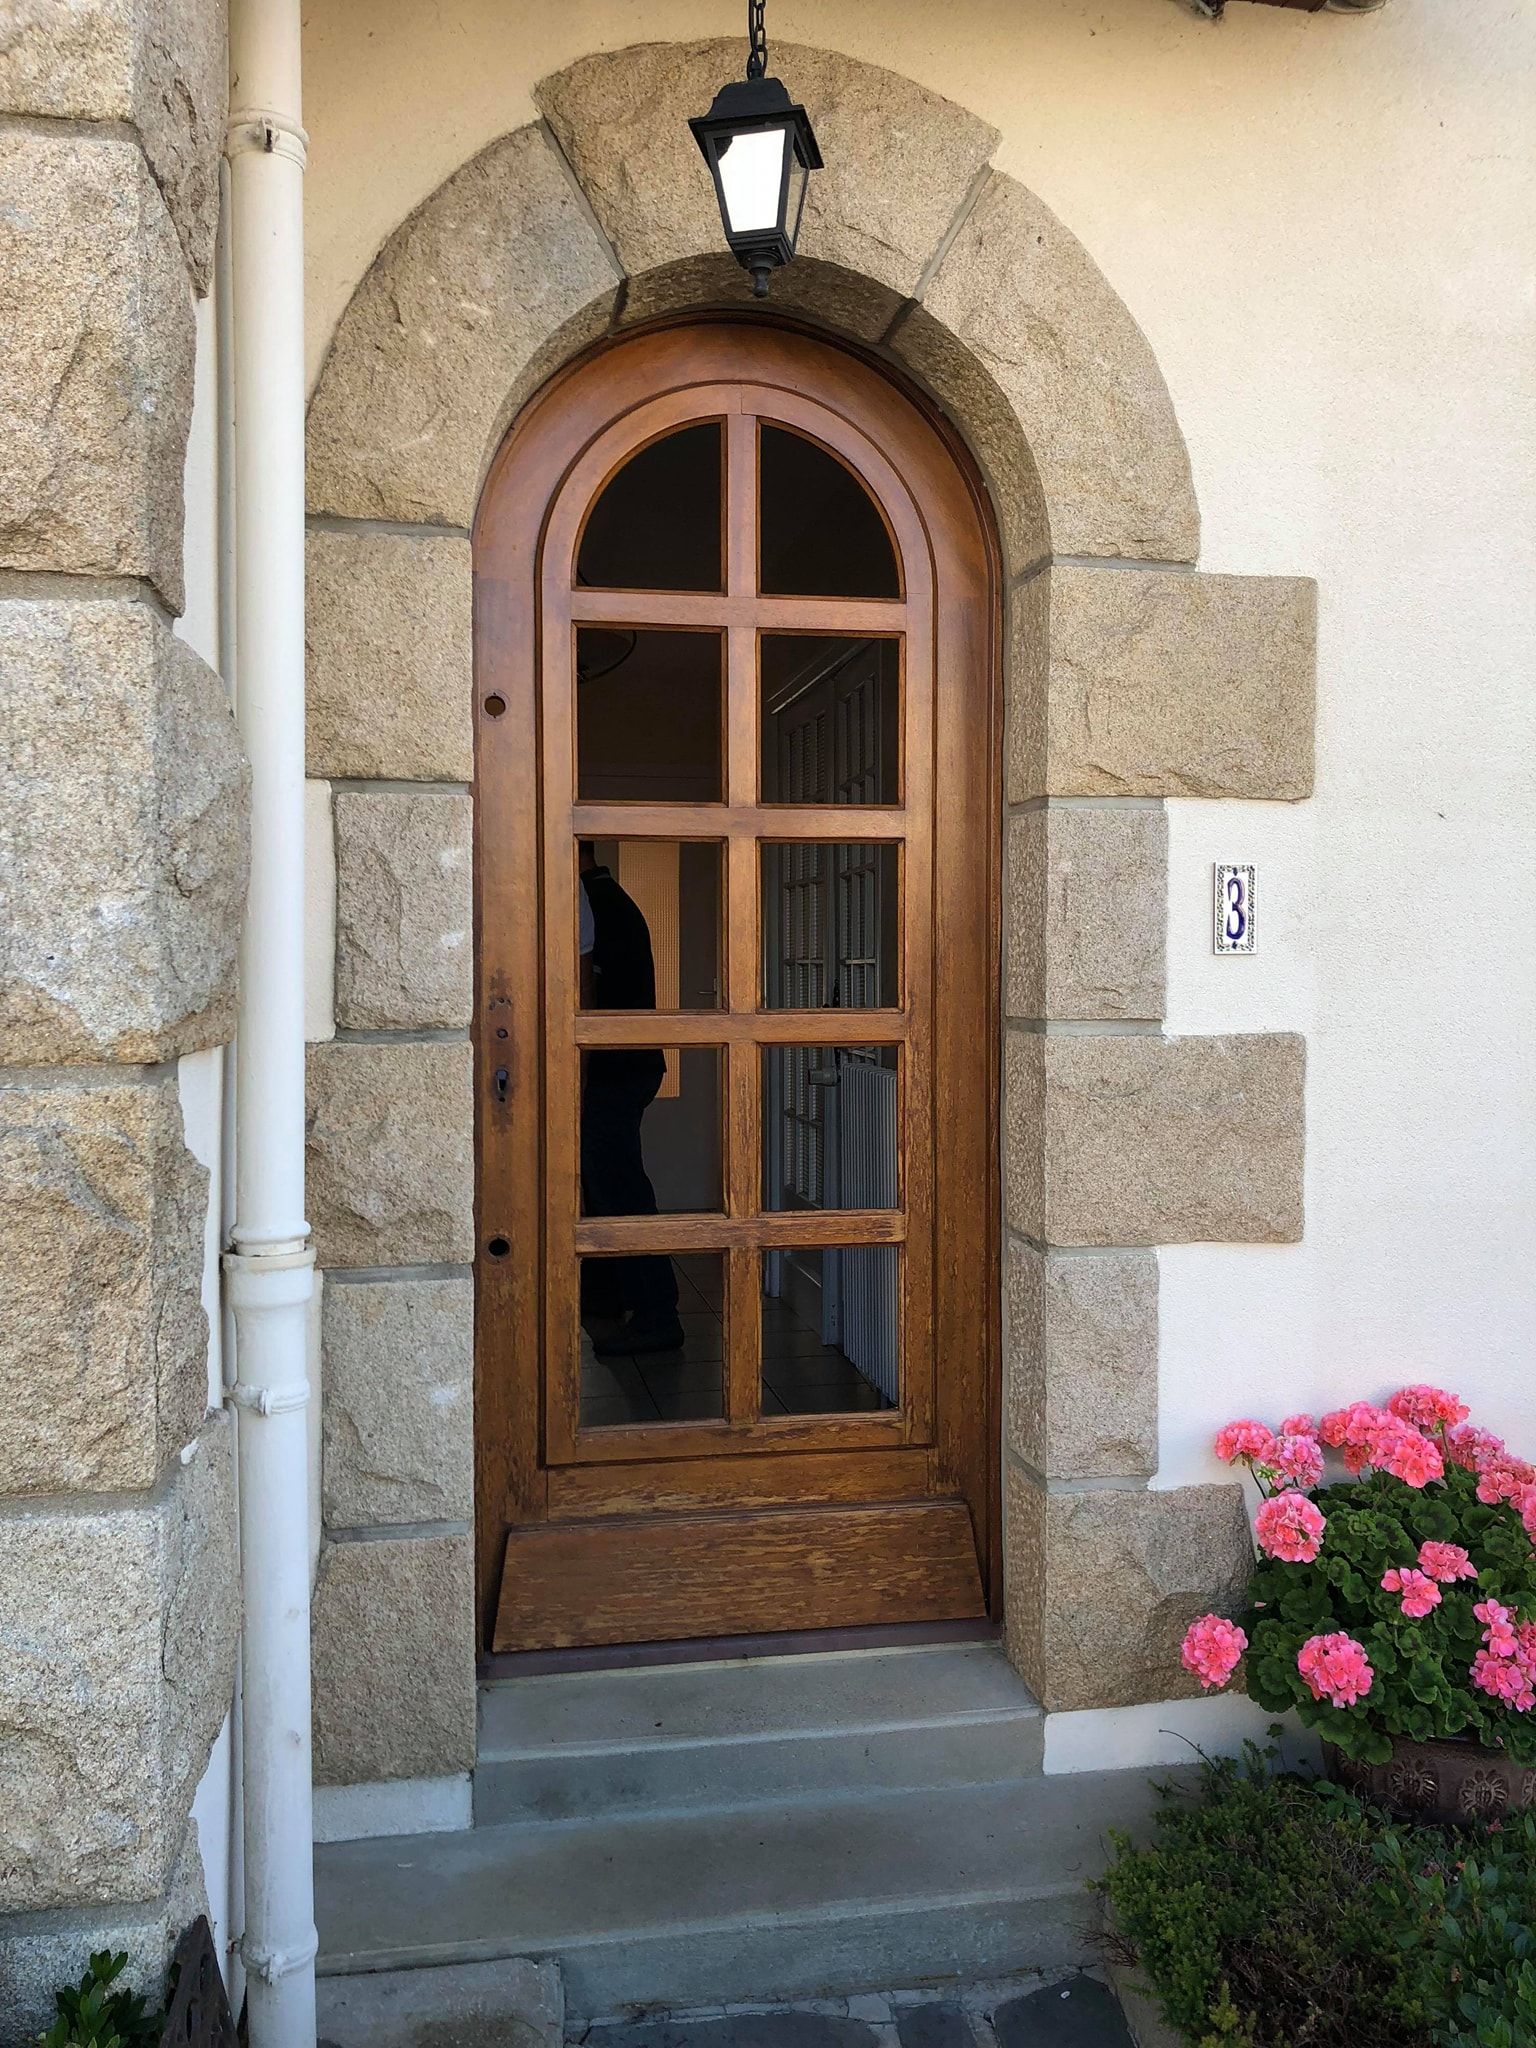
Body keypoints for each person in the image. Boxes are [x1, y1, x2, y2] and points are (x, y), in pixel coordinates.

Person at [578, 843, 684, 1355]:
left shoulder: (593, 905)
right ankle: (613, 1301)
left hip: (613, 1070)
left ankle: (656, 1314)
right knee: (609, 1189)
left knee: (619, 1192)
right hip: (627, 1066)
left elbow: (587, 997)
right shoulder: (611, 900)